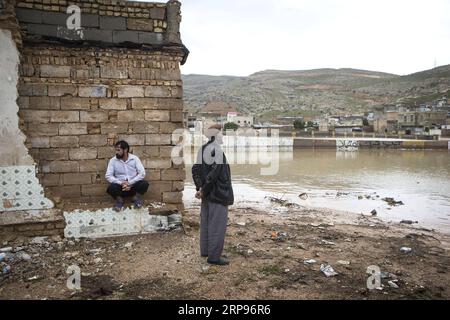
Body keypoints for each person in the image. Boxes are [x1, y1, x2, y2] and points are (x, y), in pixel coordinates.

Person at [192, 124, 234, 266]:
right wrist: (203, 190)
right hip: (218, 194)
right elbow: (213, 175)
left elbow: (195, 170)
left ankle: (205, 251)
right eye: (221, 134)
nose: (223, 136)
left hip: (206, 195)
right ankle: (214, 257)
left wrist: (200, 188)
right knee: (217, 226)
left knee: (206, 224)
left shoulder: (202, 149)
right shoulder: (217, 151)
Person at [105, 140, 149, 211]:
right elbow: (108, 176)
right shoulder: (113, 161)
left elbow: (142, 173)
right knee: (111, 188)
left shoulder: (134, 159)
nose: (116, 152)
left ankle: (135, 198)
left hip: (132, 187)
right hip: (120, 188)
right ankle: (120, 200)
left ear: (125, 150)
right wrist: (121, 183)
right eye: (116, 150)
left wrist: (130, 183)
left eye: (118, 150)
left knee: (144, 184)